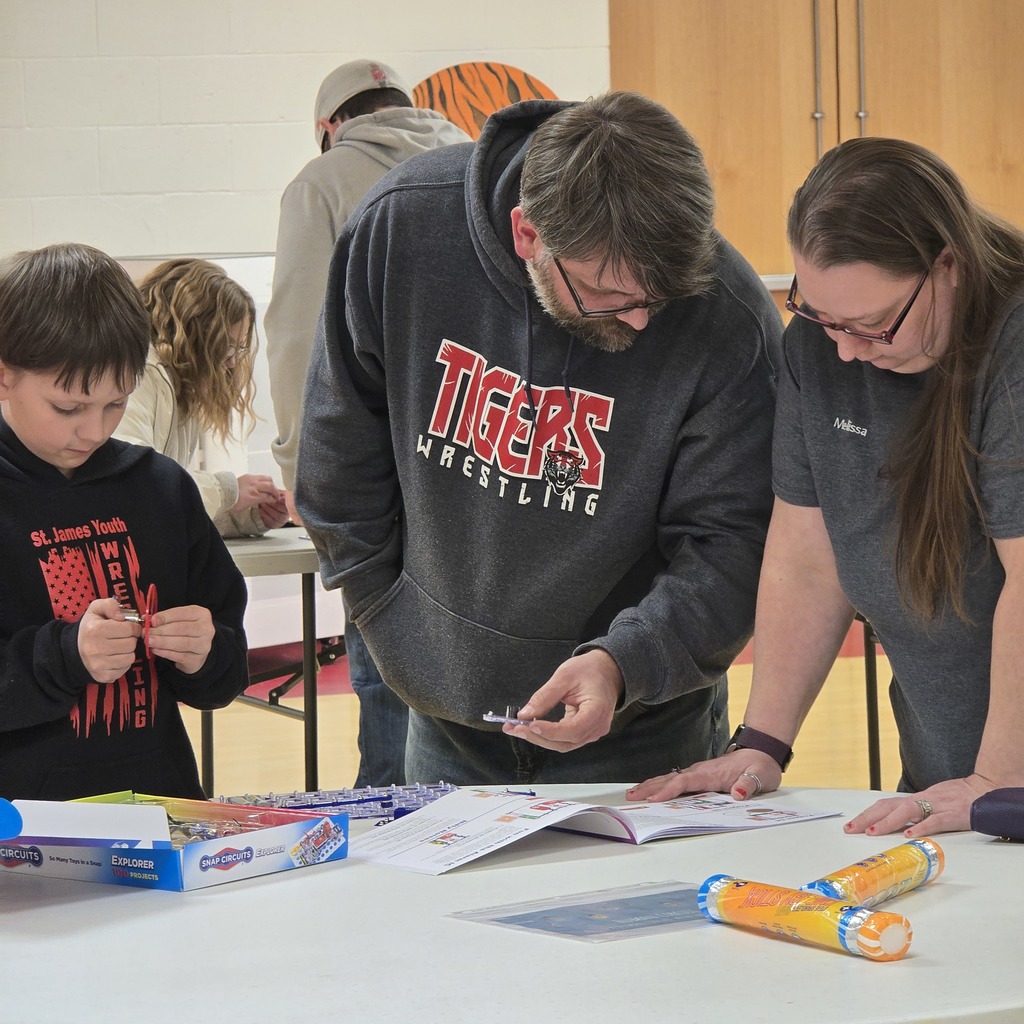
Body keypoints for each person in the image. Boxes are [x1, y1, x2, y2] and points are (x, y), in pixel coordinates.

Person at [295, 91, 782, 785]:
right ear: (529, 236)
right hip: (447, 717)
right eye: (611, 297)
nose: (642, 323)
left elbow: (733, 543)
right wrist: (391, 617)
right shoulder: (401, 230)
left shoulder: (727, 316)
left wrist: (626, 663)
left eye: (658, 301)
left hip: (641, 720)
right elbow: (338, 452)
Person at [628, 137, 1024, 836]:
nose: (845, 349)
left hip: (996, 785)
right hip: (949, 785)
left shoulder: (1013, 348)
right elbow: (808, 557)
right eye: (822, 316)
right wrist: (762, 742)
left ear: (949, 264)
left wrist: (997, 782)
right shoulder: (823, 343)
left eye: (872, 324)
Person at [265, 59, 470, 786]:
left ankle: (390, 820)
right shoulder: (474, 162)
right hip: (480, 464)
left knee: (386, 667)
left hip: (376, 470)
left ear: (328, 125)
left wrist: (300, 475)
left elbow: (297, 337)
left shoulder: (321, 183)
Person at [0, 243, 250, 800]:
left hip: (158, 811)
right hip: (22, 838)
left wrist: (205, 654)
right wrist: (65, 655)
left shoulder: (160, 487)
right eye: (68, 408)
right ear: (4, 375)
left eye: (116, 404)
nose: (95, 430)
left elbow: (227, 668)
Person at [115, 258, 290, 538]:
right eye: (227, 347)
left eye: (238, 350)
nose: (232, 363)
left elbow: (167, 508)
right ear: (195, 335)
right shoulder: (140, 375)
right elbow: (135, 486)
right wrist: (226, 491)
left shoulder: (176, 386)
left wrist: (243, 517)